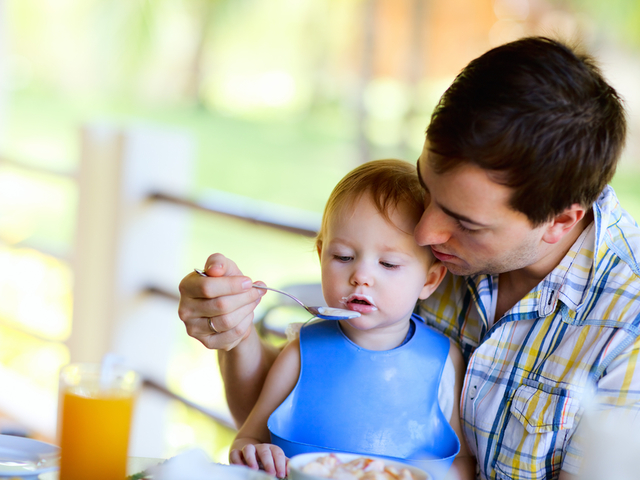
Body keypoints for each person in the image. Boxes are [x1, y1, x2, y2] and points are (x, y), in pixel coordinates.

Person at [178, 37, 640, 480]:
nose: (424, 232)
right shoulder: (436, 235)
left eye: (464, 222)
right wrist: (234, 332)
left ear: (560, 221)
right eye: (428, 188)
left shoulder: (627, 332)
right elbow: (297, 411)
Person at [226, 160, 474, 479]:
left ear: (429, 281)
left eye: (388, 263)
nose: (361, 276)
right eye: (343, 257)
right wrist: (254, 452)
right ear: (321, 256)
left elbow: (462, 463)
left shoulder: (444, 361)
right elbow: (247, 439)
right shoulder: (301, 353)